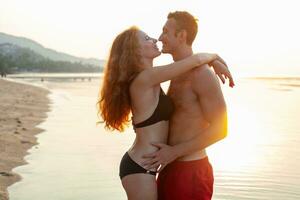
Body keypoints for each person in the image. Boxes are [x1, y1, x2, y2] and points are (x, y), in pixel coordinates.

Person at [97, 26, 233, 200]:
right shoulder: (145, 78)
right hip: (140, 167)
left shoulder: (150, 79)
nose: (155, 39)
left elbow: (194, 62)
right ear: (135, 51)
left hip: (148, 164)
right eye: (146, 38)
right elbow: (194, 61)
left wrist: (210, 61)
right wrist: (214, 57)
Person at [142, 11, 234, 200]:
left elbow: (221, 128)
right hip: (169, 167)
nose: (160, 38)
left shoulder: (203, 75)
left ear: (182, 35)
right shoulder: (175, 72)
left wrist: (174, 152)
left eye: (166, 32)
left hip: (191, 173)